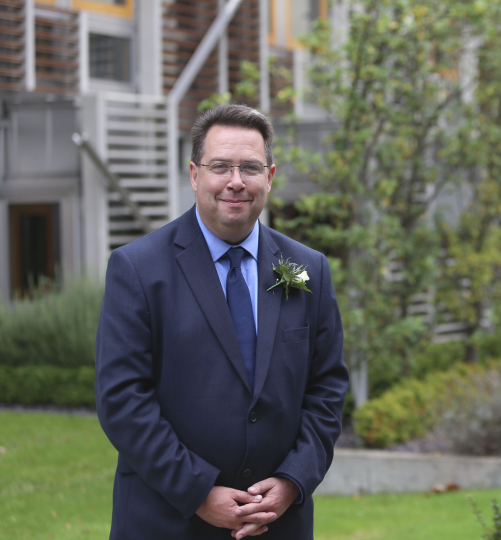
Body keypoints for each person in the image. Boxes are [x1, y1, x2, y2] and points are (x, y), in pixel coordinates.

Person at [95, 104, 349, 540]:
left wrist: (293, 480)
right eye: (220, 167)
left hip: (277, 524)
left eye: (250, 167)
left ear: (269, 177)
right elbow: (122, 400)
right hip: (167, 520)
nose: (235, 181)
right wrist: (198, 492)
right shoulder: (137, 268)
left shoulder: (308, 269)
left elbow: (326, 388)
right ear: (194, 175)